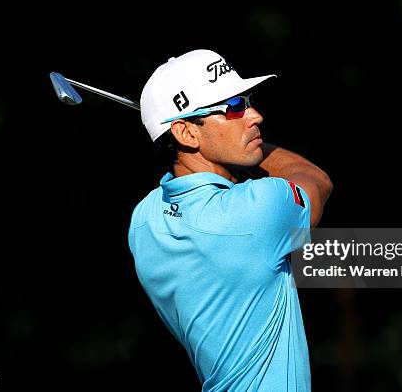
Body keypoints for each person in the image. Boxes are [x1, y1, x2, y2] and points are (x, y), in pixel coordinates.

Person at [128, 49, 332, 391]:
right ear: (187, 133)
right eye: (233, 106)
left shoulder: (144, 222)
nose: (255, 116)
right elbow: (315, 179)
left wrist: (231, 149)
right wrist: (255, 152)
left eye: (246, 100)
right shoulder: (258, 210)